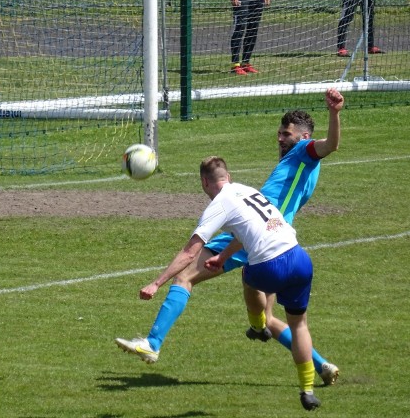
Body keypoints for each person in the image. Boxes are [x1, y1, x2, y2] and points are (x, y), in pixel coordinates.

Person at [116, 88, 344, 387]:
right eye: (279, 133)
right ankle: (320, 364)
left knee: (184, 277)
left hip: (255, 237)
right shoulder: (304, 169)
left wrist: (334, 113)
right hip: (281, 243)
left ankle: (153, 343)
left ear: (302, 138)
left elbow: (329, 145)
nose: (279, 138)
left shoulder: (305, 152)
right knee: (271, 317)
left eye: (286, 134)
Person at [199, 157, 322, 410]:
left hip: (270, 266)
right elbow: (251, 232)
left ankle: (258, 326)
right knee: (299, 326)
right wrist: (223, 256)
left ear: (204, 182)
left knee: (249, 277)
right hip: (300, 259)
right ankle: (307, 390)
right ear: (229, 176)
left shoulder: (225, 201)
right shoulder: (252, 193)